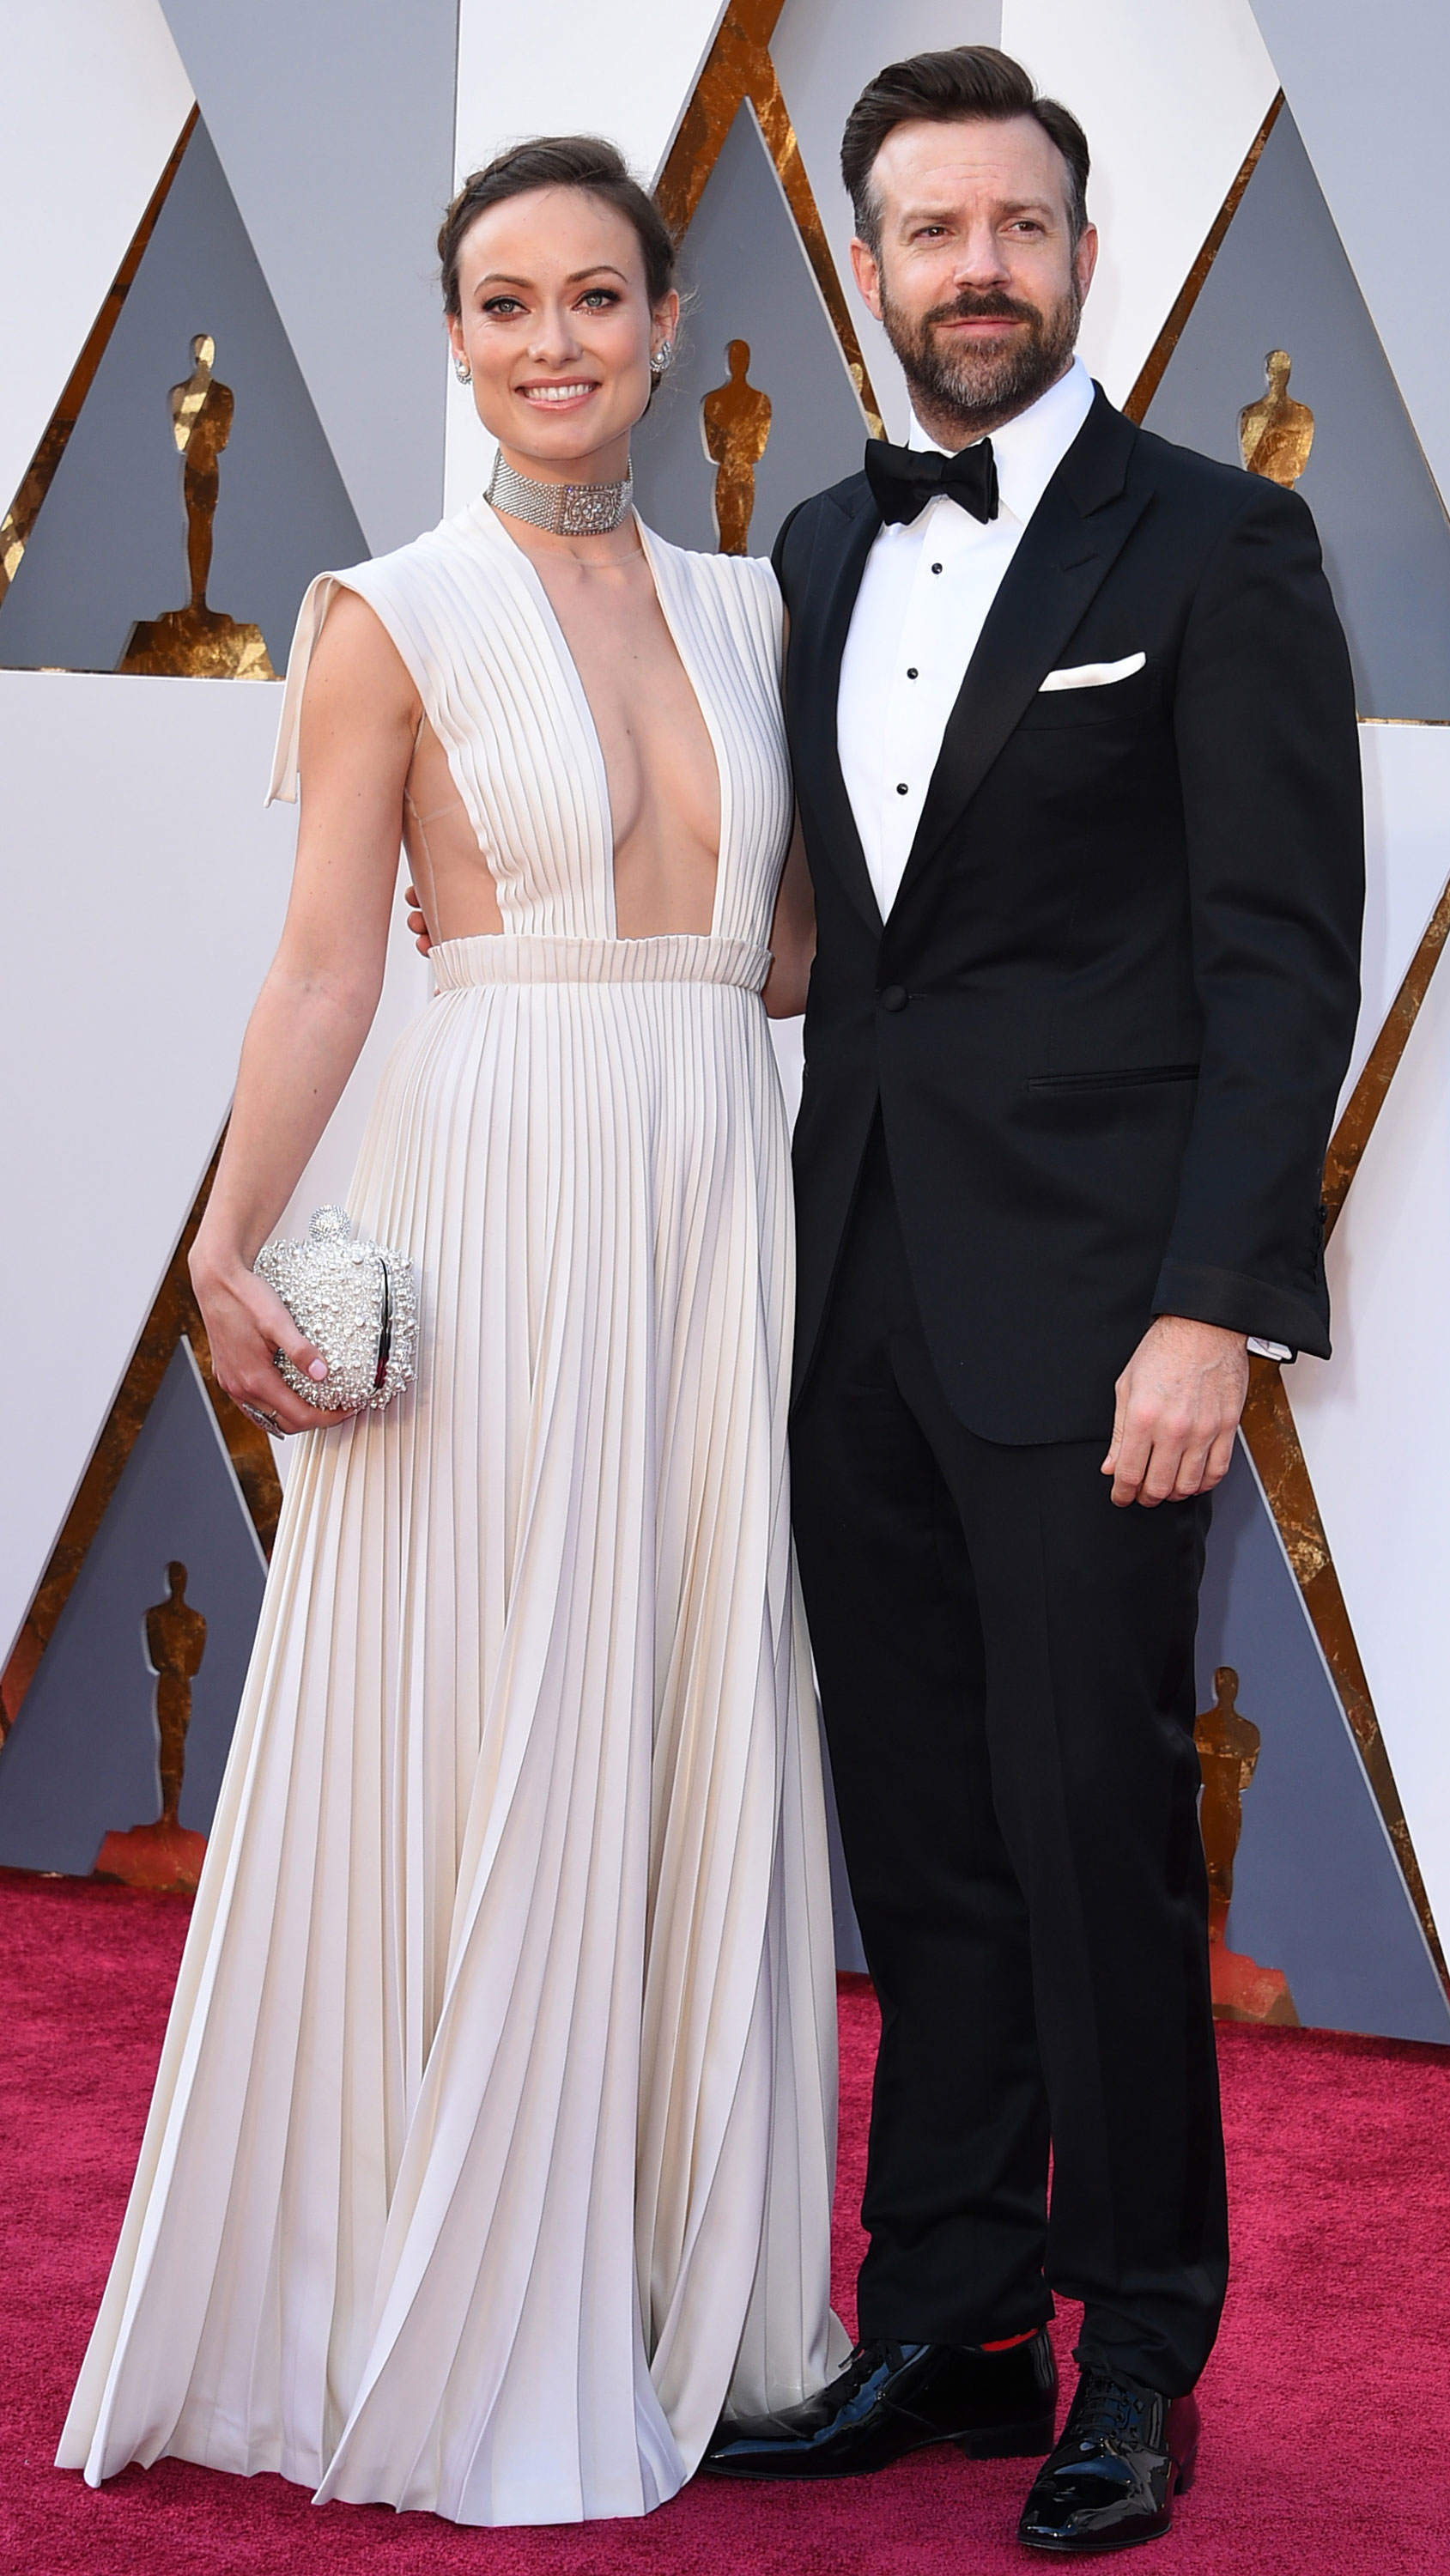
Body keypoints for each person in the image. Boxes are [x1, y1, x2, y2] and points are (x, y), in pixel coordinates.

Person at [58, 136, 843, 2528]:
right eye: (506, 304)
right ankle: (451, 2301)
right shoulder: (383, 615)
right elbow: (326, 967)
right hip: (497, 1184)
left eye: (595, 296)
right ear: (456, 336)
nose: (552, 341)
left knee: (686, 1694)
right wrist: (226, 1244)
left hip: (712, 1189)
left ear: (667, 321)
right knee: (500, 1706)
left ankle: (677, 2289)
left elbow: (787, 957)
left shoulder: (755, 610)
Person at [697, 46, 1363, 2555]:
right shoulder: (815, 551)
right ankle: (955, 2323)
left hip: (1101, 1326)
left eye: (1016, 226)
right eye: (929, 231)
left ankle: (1136, 2357)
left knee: (1096, 1839)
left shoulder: (1222, 546)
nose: (973, 268)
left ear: (1082, 253)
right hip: (850, 1287)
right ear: (866, 266)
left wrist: (1214, 1309)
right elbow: (833, 940)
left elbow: (1278, 958)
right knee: (926, 1833)